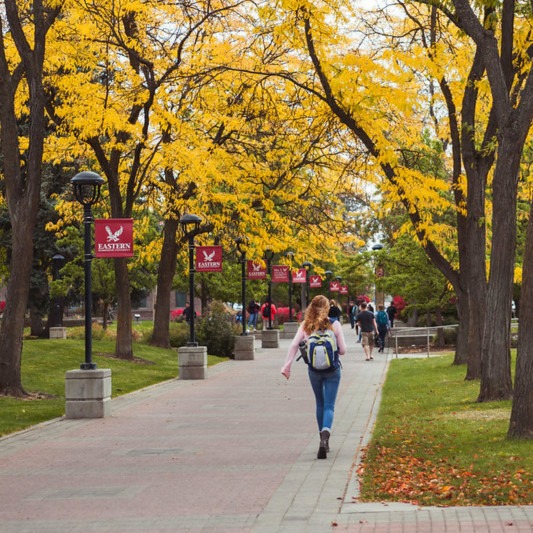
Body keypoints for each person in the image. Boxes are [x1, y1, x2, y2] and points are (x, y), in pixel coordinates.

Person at [281, 295, 347, 459]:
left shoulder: (305, 326)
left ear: (311, 307)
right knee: (329, 406)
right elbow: (343, 350)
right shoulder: (335, 324)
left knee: (320, 402)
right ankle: (326, 435)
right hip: (332, 370)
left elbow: (294, 345)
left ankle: (321, 438)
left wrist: (287, 366)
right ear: (327, 307)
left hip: (314, 371)